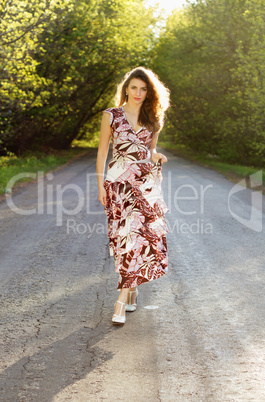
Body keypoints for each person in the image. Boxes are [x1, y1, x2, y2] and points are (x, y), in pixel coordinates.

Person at [96, 66, 170, 325]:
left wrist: (156, 155)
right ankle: (133, 288)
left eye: (143, 89)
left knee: (137, 238)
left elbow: (149, 150)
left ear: (148, 92)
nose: (138, 93)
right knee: (121, 241)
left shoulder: (153, 119)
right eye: (134, 88)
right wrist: (100, 185)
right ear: (126, 88)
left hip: (144, 186)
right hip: (117, 185)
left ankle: (120, 302)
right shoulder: (111, 116)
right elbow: (103, 152)